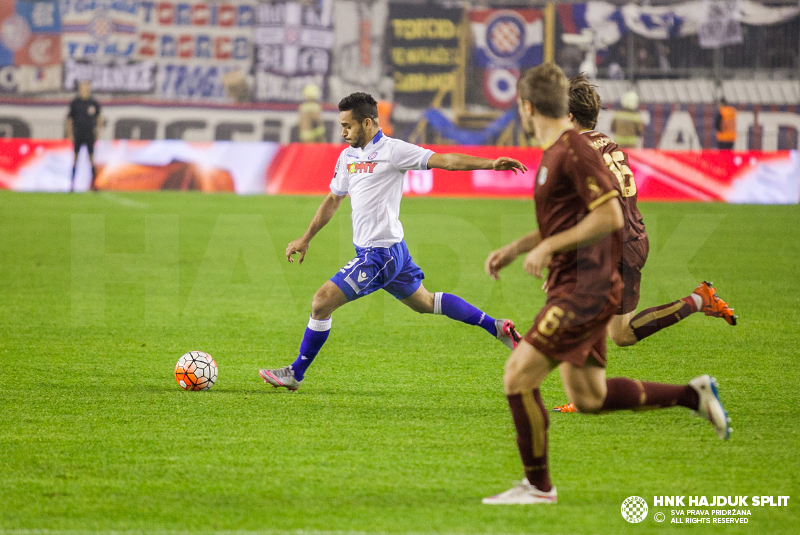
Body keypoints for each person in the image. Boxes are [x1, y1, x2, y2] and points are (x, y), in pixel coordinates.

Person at [481, 64, 730, 505]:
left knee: (517, 376)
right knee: (590, 395)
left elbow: (610, 215)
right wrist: (519, 247)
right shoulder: (561, 149)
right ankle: (692, 396)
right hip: (580, 280)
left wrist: (546, 248)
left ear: (526, 107)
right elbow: (570, 218)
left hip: (586, 286)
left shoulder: (573, 150)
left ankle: (538, 488)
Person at [259, 92, 527, 390]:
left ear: (368, 123)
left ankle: (296, 373)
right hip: (391, 251)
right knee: (425, 303)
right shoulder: (347, 156)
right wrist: (306, 237)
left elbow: (446, 160)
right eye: (341, 125)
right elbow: (334, 198)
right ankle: (497, 327)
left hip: (380, 254)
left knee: (321, 303)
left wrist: (491, 164)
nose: (343, 131)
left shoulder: (394, 151)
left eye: (348, 125)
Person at [552, 74, 737, 414]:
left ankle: (585, 396)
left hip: (613, 242)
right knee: (620, 333)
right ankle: (698, 300)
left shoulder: (576, 152)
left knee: (579, 309)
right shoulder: (608, 143)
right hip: (633, 237)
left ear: (570, 117)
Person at [66, 80, 102, 191]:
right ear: (80, 89)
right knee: (75, 159)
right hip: (78, 134)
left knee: (91, 159)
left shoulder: (93, 103)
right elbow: (70, 119)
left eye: (87, 87)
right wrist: (70, 133)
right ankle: (72, 185)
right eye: (83, 87)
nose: (85, 89)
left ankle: (94, 185)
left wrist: (98, 132)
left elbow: (98, 118)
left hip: (89, 134)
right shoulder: (75, 103)